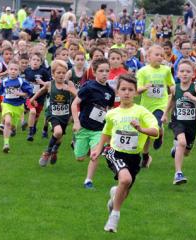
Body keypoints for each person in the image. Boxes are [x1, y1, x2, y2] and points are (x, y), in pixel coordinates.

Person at [90, 74, 159, 233]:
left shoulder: (142, 112)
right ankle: (114, 217)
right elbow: (106, 132)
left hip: (134, 157)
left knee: (124, 189)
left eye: (130, 90)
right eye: (123, 89)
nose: (127, 93)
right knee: (125, 179)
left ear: (136, 92)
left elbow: (155, 132)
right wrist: (99, 148)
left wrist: (141, 129)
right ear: (117, 92)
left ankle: (114, 198)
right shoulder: (112, 113)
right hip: (114, 152)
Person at [162, 59, 196, 185]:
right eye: (182, 71)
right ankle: (178, 174)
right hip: (177, 121)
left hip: (192, 124)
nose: (184, 74)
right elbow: (171, 101)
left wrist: (193, 97)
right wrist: (165, 114)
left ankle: (175, 150)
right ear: (177, 74)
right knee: (182, 142)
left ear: (193, 74)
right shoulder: (174, 88)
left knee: (186, 152)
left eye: (188, 71)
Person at [71, 59, 115, 188]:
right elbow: (74, 104)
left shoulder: (110, 92)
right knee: (80, 158)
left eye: (107, 71)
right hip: (83, 127)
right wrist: (76, 122)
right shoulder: (89, 87)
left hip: (99, 130)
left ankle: (88, 181)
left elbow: (109, 110)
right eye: (101, 71)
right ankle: (75, 140)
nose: (104, 74)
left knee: (95, 154)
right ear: (94, 72)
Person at [31, 60, 77, 166]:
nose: (61, 75)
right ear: (53, 74)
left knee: (59, 138)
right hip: (52, 114)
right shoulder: (50, 84)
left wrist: (70, 90)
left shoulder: (69, 84)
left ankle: (55, 151)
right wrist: (32, 99)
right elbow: (41, 91)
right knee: (58, 132)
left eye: (63, 73)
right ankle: (47, 152)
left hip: (65, 116)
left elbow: (78, 96)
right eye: (58, 73)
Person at [136, 45, 174, 167]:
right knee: (146, 133)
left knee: (156, 126)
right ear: (148, 57)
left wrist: (174, 90)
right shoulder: (142, 71)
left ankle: (160, 133)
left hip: (161, 104)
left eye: (162, 55)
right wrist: (144, 87)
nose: (160, 57)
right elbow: (138, 89)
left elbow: (171, 84)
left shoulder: (166, 70)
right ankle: (146, 156)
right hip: (146, 106)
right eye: (157, 55)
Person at [0, 61, 33, 153]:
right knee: (7, 122)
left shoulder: (21, 81)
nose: (13, 71)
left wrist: (21, 93)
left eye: (15, 69)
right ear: (7, 70)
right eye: (11, 69)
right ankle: (6, 144)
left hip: (18, 106)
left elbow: (30, 92)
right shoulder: (4, 81)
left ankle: (14, 129)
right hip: (7, 104)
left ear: (19, 71)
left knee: (12, 126)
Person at [25, 52, 51, 141]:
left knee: (36, 115)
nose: (35, 62)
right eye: (33, 60)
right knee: (32, 112)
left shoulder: (44, 71)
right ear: (30, 61)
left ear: (41, 62)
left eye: (38, 60)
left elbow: (49, 84)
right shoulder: (27, 71)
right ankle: (30, 132)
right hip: (29, 97)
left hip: (40, 97)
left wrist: (42, 83)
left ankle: (33, 126)